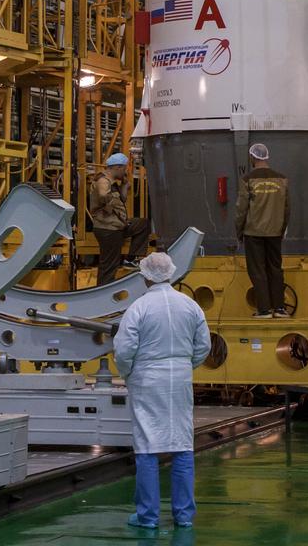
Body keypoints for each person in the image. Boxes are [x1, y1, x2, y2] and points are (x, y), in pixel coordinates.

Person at [113, 251, 211, 530]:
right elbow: (203, 346)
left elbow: (124, 349)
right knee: (182, 443)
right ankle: (183, 516)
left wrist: (128, 372)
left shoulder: (139, 308)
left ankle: (148, 516)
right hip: (179, 378)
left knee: (146, 445)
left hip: (146, 379)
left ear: (145, 276)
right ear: (172, 273)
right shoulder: (190, 306)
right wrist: (184, 365)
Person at [234, 142, 290, 318]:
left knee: (258, 270)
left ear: (252, 157)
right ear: (266, 156)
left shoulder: (247, 179)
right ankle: (280, 308)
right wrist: (282, 229)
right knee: (275, 268)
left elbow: (241, 209)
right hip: (275, 232)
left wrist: (239, 231)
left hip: (253, 233)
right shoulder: (282, 179)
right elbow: (287, 208)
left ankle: (264, 309)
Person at [90, 152, 150, 286]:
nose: (125, 172)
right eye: (124, 169)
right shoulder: (103, 180)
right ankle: (103, 291)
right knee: (109, 264)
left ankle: (131, 258)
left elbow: (121, 199)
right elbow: (103, 195)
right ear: (117, 167)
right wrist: (110, 201)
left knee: (142, 224)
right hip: (107, 228)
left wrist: (124, 186)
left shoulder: (114, 183)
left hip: (117, 225)